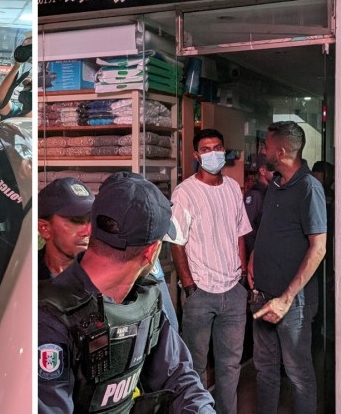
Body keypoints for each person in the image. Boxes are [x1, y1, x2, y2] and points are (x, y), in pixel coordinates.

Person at [38, 173, 215, 413]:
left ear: (92, 228)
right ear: (151, 252)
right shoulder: (49, 318)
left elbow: (179, 378)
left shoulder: (146, 298)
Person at [163, 128, 251, 414]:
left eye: (217, 148)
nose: (213, 154)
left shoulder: (233, 188)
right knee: (195, 367)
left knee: (230, 366)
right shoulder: (185, 192)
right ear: (196, 155)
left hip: (232, 292)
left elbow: (240, 233)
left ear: (224, 151)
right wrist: (189, 286)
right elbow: (176, 242)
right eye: (206, 149)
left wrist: (240, 276)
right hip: (200, 292)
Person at [250, 121, 327, 414]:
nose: (263, 151)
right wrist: (254, 257)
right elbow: (269, 229)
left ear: (280, 152)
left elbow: (318, 248)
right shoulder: (275, 184)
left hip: (292, 303)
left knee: (298, 375)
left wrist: (286, 297)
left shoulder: (309, 188)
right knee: (265, 370)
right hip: (262, 295)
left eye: (267, 146)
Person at [37, 177, 94, 280]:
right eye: (76, 220)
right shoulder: (25, 274)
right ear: (44, 228)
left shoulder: (108, 279)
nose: (89, 231)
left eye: (93, 219)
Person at [244, 153, 274, 258]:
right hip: (258, 254)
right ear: (263, 171)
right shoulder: (255, 194)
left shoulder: (271, 192)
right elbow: (248, 229)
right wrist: (255, 254)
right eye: (273, 170)